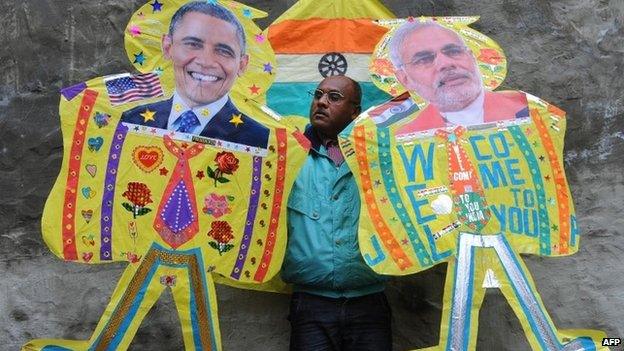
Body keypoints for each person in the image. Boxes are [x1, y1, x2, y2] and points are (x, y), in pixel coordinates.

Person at [281, 75, 391, 351]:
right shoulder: (289, 154)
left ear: (355, 111)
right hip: (311, 304)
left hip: (369, 302)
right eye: (318, 94)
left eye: (334, 97)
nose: (321, 102)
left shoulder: (375, 157)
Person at [120, 1, 269, 148]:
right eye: (193, 44)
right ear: (167, 47)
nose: (206, 62)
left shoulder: (259, 141)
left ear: (242, 65)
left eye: (224, 51)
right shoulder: (130, 121)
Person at [385, 20, 528, 134]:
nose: (446, 63)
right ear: (405, 79)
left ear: (473, 58)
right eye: (424, 59)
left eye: (453, 51)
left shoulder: (529, 110)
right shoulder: (407, 136)